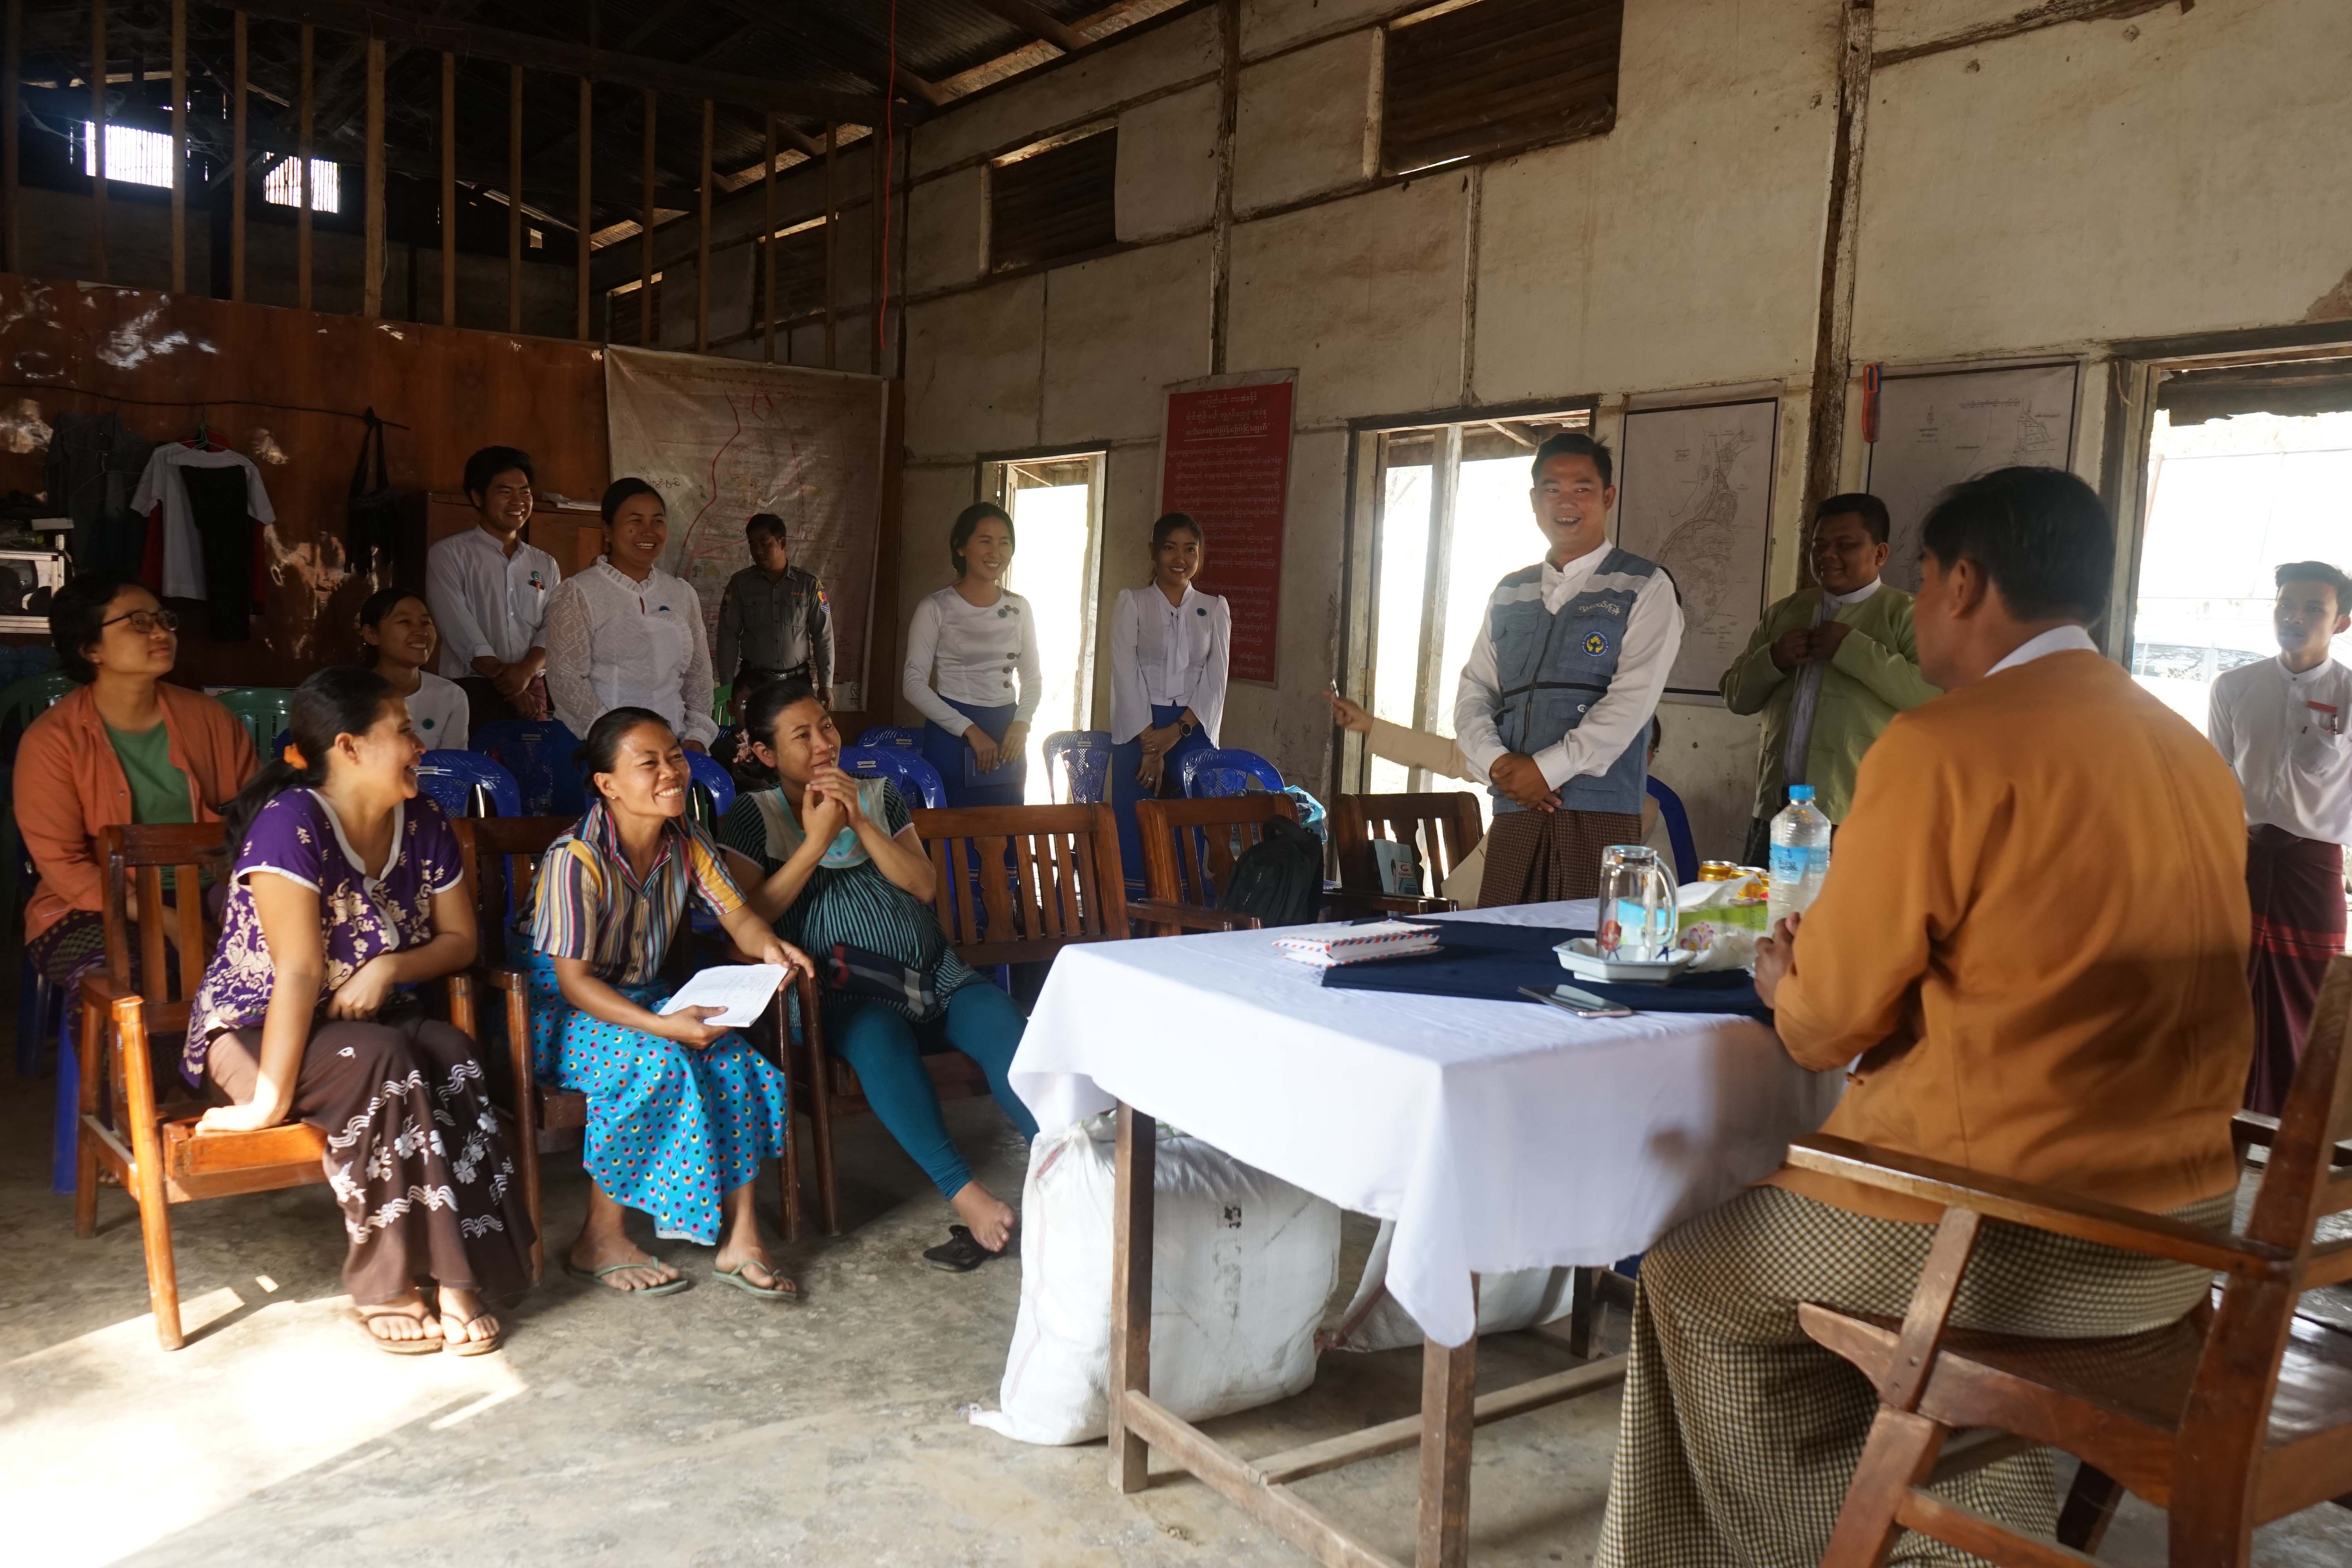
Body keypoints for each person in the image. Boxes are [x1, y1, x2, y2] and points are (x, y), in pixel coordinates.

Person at [1596, 467, 2251, 1566]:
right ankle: (1970, 1530)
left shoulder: (1947, 744)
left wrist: (1786, 981)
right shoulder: (2186, 748)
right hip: (2181, 1238)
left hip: (1995, 1230)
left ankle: (1846, 1545)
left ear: (1963, 585)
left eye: (1925, 574)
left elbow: (1826, 1028)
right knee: (1877, 1339)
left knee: (1693, 1276)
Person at [187, 667, 535, 1354]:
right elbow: (297, 973)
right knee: (385, 1058)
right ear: (348, 747)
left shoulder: (424, 820)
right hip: (256, 1032)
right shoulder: (290, 823)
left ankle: (461, 1277)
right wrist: (266, 1102)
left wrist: (390, 967)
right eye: (403, 731)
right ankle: (387, 1284)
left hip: (367, 1022)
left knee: (452, 1053)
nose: (419, 746)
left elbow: (461, 941)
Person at [719, 677, 1036, 1270]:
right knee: (877, 1034)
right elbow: (750, 920)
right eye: (801, 736)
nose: (823, 743)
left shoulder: (880, 794)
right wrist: (815, 843)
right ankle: (967, 1195)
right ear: (765, 754)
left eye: (826, 726)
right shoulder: (751, 815)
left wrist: (862, 823)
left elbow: (923, 885)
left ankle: (1071, 1168)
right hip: (837, 991)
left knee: (1002, 1021)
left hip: (934, 973)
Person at [528, 707, 808, 1299]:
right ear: (607, 785)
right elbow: (574, 983)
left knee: (736, 1062)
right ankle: (599, 1239)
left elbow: (739, 919)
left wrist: (770, 948)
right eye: (649, 763)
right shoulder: (575, 858)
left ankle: (743, 1238)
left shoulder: (686, 840)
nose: (671, 772)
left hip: (650, 1001)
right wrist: (660, 1026)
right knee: (655, 1061)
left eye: (676, 758)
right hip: (564, 1015)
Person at [1454, 432, 1684, 905]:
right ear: (1534, 501)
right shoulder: (1509, 592)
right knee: (1504, 936)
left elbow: (1631, 702)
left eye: (1582, 488)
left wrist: (1546, 770)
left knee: (1592, 939)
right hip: (1515, 808)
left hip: (1600, 815)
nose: (1566, 502)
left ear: (1608, 497)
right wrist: (1499, 765)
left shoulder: (1645, 586)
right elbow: (1476, 691)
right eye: (1552, 489)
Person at [16, 572, 257, 999]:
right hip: (93, 905)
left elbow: (256, 821)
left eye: (163, 619)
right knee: (130, 983)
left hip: (211, 893)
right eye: (138, 623)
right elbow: (62, 864)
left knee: (286, 960)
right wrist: (162, 917)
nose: (161, 632)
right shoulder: (52, 741)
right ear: (90, 649)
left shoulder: (212, 719)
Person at [1718, 493, 1938, 863]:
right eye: (1819, 545)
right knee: (1767, 901)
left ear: (1880, 553)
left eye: (1846, 545)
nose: (1828, 555)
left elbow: (1935, 700)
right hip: (1777, 808)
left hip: (1861, 812)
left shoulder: (1908, 616)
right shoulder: (1785, 613)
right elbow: (1736, 698)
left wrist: (1854, 650)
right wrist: (1774, 658)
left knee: (1850, 903)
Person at [2208, 559, 2352, 1115]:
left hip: (2313, 871)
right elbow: (2217, 779)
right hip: (2239, 859)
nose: (2294, 617)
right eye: (2286, 605)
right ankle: (2215, 1115)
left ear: (2341, 622)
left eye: (2313, 608)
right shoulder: (2235, 687)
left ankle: (2292, 1127)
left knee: (2314, 999)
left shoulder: (2349, 695)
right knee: (2221, 989)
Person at [1324, 697, 1682, 905]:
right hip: (1477, 904)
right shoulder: (1535, 769)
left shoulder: (1644, 808)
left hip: (1568, 916)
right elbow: (1452, 756)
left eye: (1642, 748)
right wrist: (1370, 726)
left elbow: (1628, 884)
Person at [542, 478, 720, 755]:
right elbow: (565, 678)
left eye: (657, 521)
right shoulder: (578, 593)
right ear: (608, 530)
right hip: (594, 746)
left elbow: (699, 674)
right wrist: (618, 739)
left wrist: (697, 733)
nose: (648, 532)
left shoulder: (681, 594)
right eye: (635, 521)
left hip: (670, 746)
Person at [1108, 513, 1231, 885]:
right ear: (1153, 552)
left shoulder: (1214, 608)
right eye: (1170, 548)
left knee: (1184, 837)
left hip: (1191, 732)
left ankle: (1184, 912)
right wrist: (1151, 743)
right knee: (1136, 831)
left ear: (1200, 555)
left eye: (1190, 550)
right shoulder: (1133, 602)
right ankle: (1132, 910)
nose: (1180, 559)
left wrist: (1174, 734)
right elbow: (1125, 672)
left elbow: (1216, 680)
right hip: (1139, 730)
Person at [902, 503, 1041, 807]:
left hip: (1007, 734)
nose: (996, 552)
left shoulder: (1020, 608)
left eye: (1005, 542)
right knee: (951, 829)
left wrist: (1022, 724)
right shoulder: (935, 607)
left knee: (1005, 827)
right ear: (961, 548)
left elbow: (1032, 678)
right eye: (985, 541)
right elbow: (913, 684)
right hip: (952, 732)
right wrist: (970, 730)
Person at [425, 445, 558, 723]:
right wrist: (510, 685)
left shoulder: (545, 563)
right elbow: (459, 628)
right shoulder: (450, 554)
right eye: (505, 492)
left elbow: (554, 627)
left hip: (533, 689)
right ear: (478, 497)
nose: (518, 501)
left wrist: (526, 672)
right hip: (474, 689)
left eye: (525, 492)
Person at [715, 512, 834, 710]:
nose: (758, 551)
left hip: (797, 683)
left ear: (782, 543)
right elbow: (728, 636)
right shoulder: (740, 584)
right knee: (752, 730)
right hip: (753, 683)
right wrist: (728, 686)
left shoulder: (809, 585)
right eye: (752, 544)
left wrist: (826, 684)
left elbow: (824, 636)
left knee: (798, 730)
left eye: (764, 543)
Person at [358, 588, 469, 750]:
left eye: (426, 623)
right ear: (371, 635)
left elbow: (451, 762)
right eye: (405, 622)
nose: (421, 632)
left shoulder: (451, 695)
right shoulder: (350, 697)